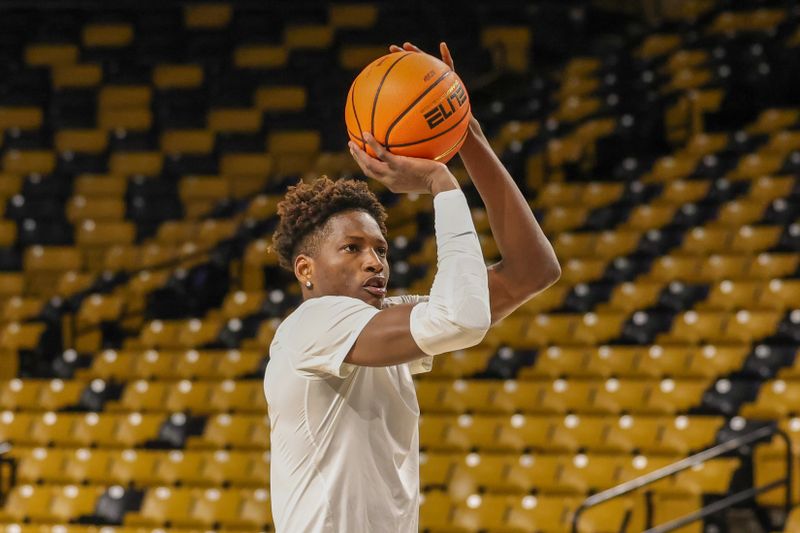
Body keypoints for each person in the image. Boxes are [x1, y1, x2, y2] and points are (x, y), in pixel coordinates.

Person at [263, 42, 561, 533]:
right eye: (352, 249)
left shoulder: (379, 325)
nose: (374, 262)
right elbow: (460, 319)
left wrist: (466, 133)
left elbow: (532, 272)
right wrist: (442, 184)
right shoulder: (311, 327)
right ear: (305, 270)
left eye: (381, 250)